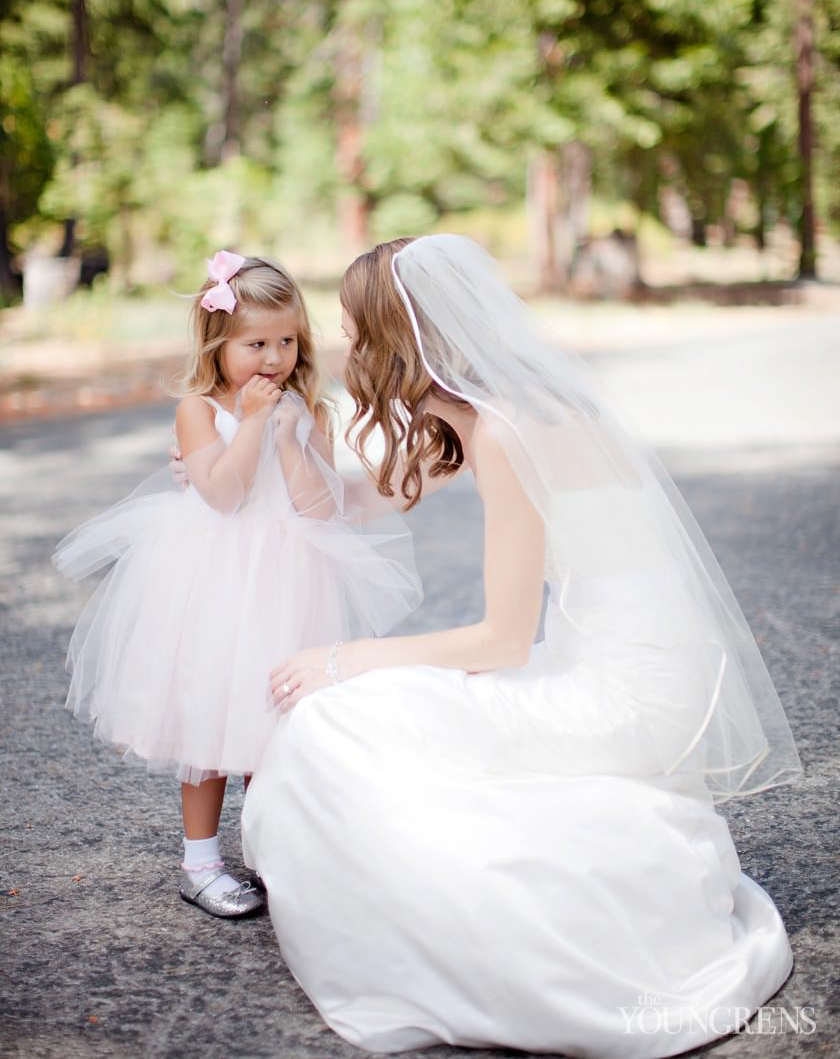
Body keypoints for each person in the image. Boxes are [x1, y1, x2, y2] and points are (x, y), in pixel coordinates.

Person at [241, 234, 802, 1055]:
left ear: (404, 336)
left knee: (334, 719)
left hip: (623, 696)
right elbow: (363, 500)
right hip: (604, 664)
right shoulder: (489, 411)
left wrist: (343, 658)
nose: (347, 347)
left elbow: (501, 641)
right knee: (343, 716)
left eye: (358, 329)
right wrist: (271, 441)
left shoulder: (507, 430)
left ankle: (415, 930)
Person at [54, 252, 420, 920]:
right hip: (218, 579)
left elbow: (320, 509)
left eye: (287, 341)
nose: (273, 358)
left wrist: (289, 438)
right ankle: (200, 864)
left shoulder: (310, 408)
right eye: (256, 344)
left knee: (277, 725)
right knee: (212, 716)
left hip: (293, 580)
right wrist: (251, 423)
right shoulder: (199, 411)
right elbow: (223, 495)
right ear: (218, 344)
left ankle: (275, 853)